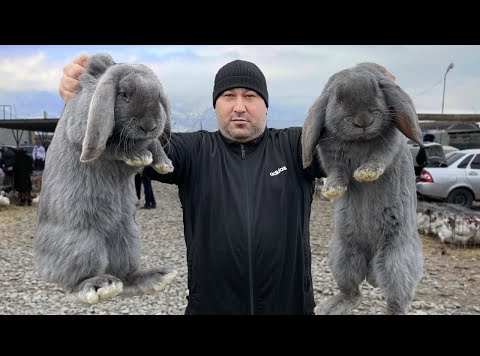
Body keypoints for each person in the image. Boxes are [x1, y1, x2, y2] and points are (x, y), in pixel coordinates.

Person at [59, 54, 394, 315]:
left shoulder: (297, 147)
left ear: (265, 104)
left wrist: (371, 93)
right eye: (228, 96)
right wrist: (93, 92)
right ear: (216, 104)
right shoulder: (192, 151)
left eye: (250, 96)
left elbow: (355, 136)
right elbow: (134, 138)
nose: (239, 106)